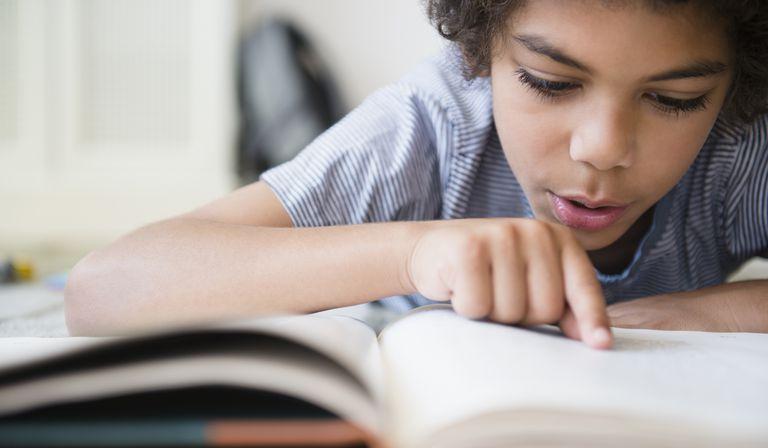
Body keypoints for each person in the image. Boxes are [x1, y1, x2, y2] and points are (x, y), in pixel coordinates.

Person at [64, 0, 768, 349]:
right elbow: (103, 289)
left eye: (674, 100)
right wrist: (415, 250)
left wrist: (710, 311)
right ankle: (291, 122)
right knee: (318, 168)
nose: (604, 148)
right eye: (550, 82)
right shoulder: (435, 124)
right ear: (481, 51)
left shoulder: (738, 141)